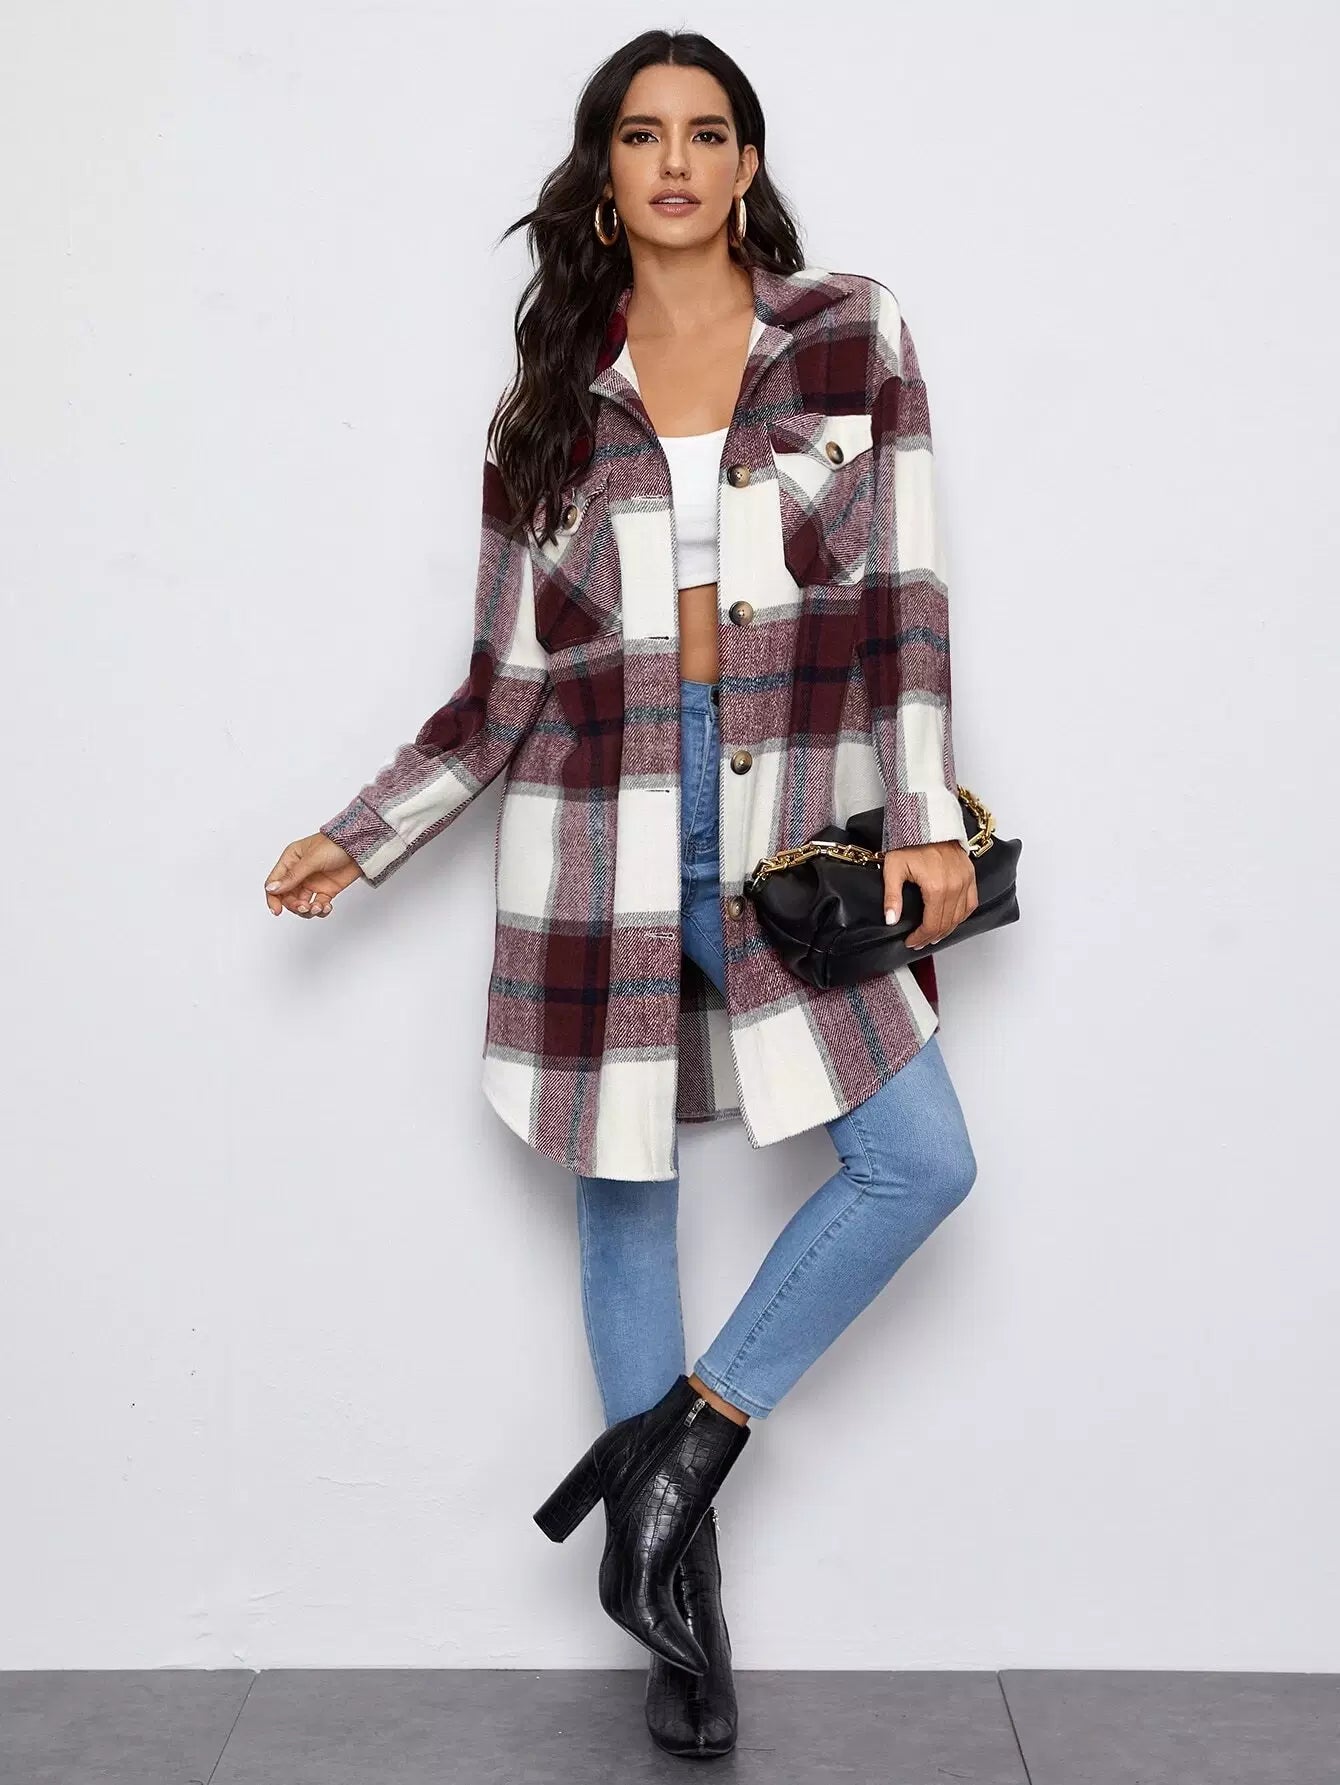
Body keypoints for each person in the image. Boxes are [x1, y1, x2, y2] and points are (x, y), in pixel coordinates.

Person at [264, 29, 979, 1761]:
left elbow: (907, 596)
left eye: (706, 132)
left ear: (746, 164)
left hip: (793, 824)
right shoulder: (549, 405)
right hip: (599, 829)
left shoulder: (849, 332)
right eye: (642, 135)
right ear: (605, 172)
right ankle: (684, 1615)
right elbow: (502, 689)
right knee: (626, 1189)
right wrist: (366, 833)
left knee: (919, 1159)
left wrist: (927, 811)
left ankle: (668, 1470)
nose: (675, 161)